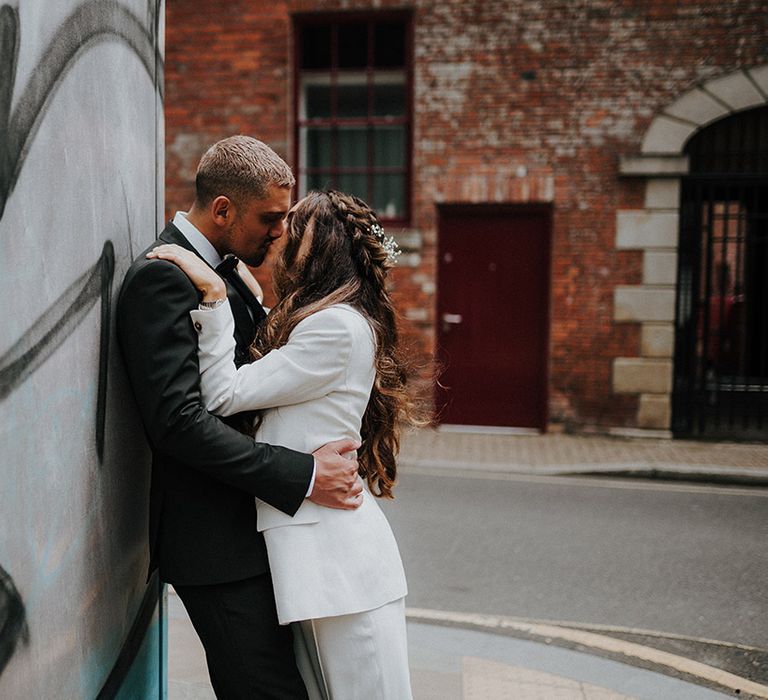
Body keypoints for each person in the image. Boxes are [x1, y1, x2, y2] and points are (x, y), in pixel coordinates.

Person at [147, 189, 421, 699]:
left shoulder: (334, 328)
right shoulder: (328, 321)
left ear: (317, 253)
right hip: (317, 570)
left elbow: (225, 393)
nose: (278, 237)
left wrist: (213, 298)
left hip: (341, 569)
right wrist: (251, 300)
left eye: (290, 230)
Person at [116, 136, 364, 699]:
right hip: (216, 547)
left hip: (252, 534)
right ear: (223, 209)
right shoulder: (164, 278)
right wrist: (302, 474)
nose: (281, 232)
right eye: (270, 218)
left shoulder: (229, 274)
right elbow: (178, 423)